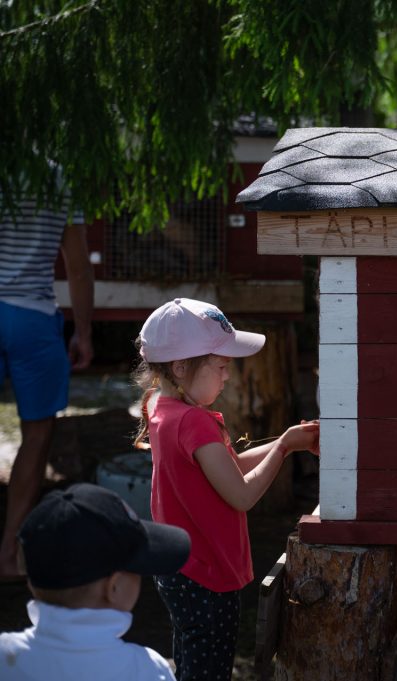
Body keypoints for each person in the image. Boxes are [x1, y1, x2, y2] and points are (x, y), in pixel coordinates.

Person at [133, 297, 319, 681]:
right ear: (181, 367)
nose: (228, 376)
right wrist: (283, 448)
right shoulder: (195, 423)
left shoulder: (160, 407)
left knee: (191, 665)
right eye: (220, 366)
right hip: (207, 576)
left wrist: (289, 440)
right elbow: (242, 494)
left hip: (178, 570)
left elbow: (225, 469)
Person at [0, 482, 191, 680]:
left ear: (31, 583)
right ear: (114, 588)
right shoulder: (146, 669)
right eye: (137, 569)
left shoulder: (5, 658)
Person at [0, 178, 94, 579]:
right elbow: (77, 266)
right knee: (36, 437)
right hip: (33, 319)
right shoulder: (58, 178)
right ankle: (7, 556)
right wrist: (83, 333)